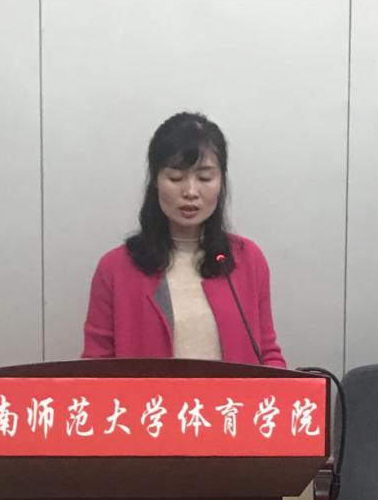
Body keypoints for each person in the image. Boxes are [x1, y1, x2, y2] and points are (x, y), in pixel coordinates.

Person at [82, 112, 287, 367]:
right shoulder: (115, 269)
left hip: (233, 396)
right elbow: (94, 369)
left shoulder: (248, 259)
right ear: (155, 180)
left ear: (221, 181)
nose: (190, 192)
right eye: (176, 178)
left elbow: (267, 354)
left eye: (205, 178)